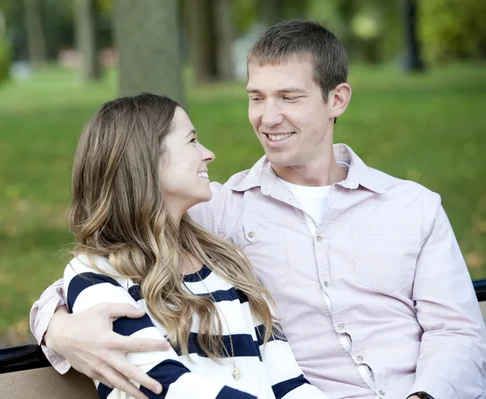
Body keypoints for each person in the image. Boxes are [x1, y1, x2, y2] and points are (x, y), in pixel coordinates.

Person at [30, 20, 486, 399]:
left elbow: (457, 333)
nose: (267, 118)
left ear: (337, 100)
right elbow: (106, 260)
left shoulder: (413, 208)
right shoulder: (216, 213)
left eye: (289, 97)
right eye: (256, 97)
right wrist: (58, 329)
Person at [51, 92, 327, 398]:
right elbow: (164, 387)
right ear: (147, 159)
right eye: (192, 141)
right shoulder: (96, 273)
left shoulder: (226, 262)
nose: (208, 154)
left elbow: (289, 383)